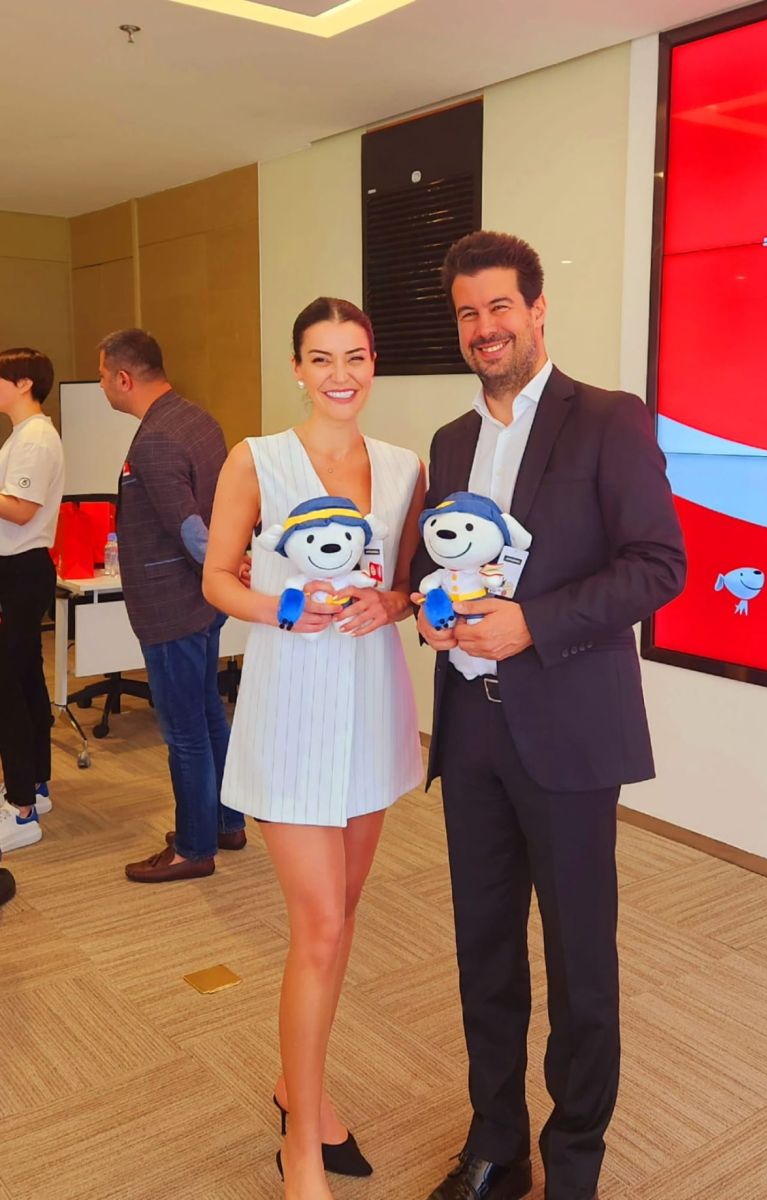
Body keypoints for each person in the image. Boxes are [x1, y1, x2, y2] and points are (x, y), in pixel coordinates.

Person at [411, 231, 687, 1200]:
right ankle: (498, 1144)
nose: (483, 328)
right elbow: (440, 563)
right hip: (470, 731)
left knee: (579, 966)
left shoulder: (607, 419)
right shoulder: (450, 441)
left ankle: (573, 1166)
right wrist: (430, 611)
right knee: (483, 951)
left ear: (535, 311)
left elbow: (658, 565)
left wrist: (533, 623)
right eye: (467, 313)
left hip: (567, 731)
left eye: (499, 307)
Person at [203, 297, 425, 1200]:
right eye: (322, 358)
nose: (341, 375)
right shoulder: (255, 459)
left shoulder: (404, 467)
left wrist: (394, 603)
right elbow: (218, 580)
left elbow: (408, 584)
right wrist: (285, 607)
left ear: (374, 364)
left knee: (345, 915)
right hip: (291, 707)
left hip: (371, 707)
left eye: (356, 356)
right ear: (297, 368)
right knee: (320, 926)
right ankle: (300, 1146)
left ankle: (299, 1085)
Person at [97, 328, 246, 882]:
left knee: (184, 731)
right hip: (201, 603)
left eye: (102, 376)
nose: (102, 386)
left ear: (124, 378)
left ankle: (192, 847)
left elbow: (188, 527)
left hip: (172, 605)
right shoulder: (197, 418)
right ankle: (225, 822)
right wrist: (227, 569)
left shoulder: (155, 439)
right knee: (207, 714)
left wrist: (220, 568)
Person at [0, 347, 64, 856]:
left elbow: (21, 510)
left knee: (8, 687)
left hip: (20, 570)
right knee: (23, 678)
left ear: (23, 383)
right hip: (17, 569)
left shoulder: (36, 438)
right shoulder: (23, 436)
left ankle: (20, 807)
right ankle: (36, 787)